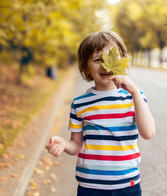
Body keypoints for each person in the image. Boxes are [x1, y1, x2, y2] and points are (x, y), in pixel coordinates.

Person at [46, 31, 155, 196]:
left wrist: (135, 93)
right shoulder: (80, 103)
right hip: (90, 186)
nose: (105, 65)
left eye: (112, 58)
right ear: (86, 67)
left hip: (127, 185)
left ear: (123, 62)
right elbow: (76, 145)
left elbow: (148, 133)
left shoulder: (134, 97)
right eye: (98, 60)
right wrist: (64, 143)